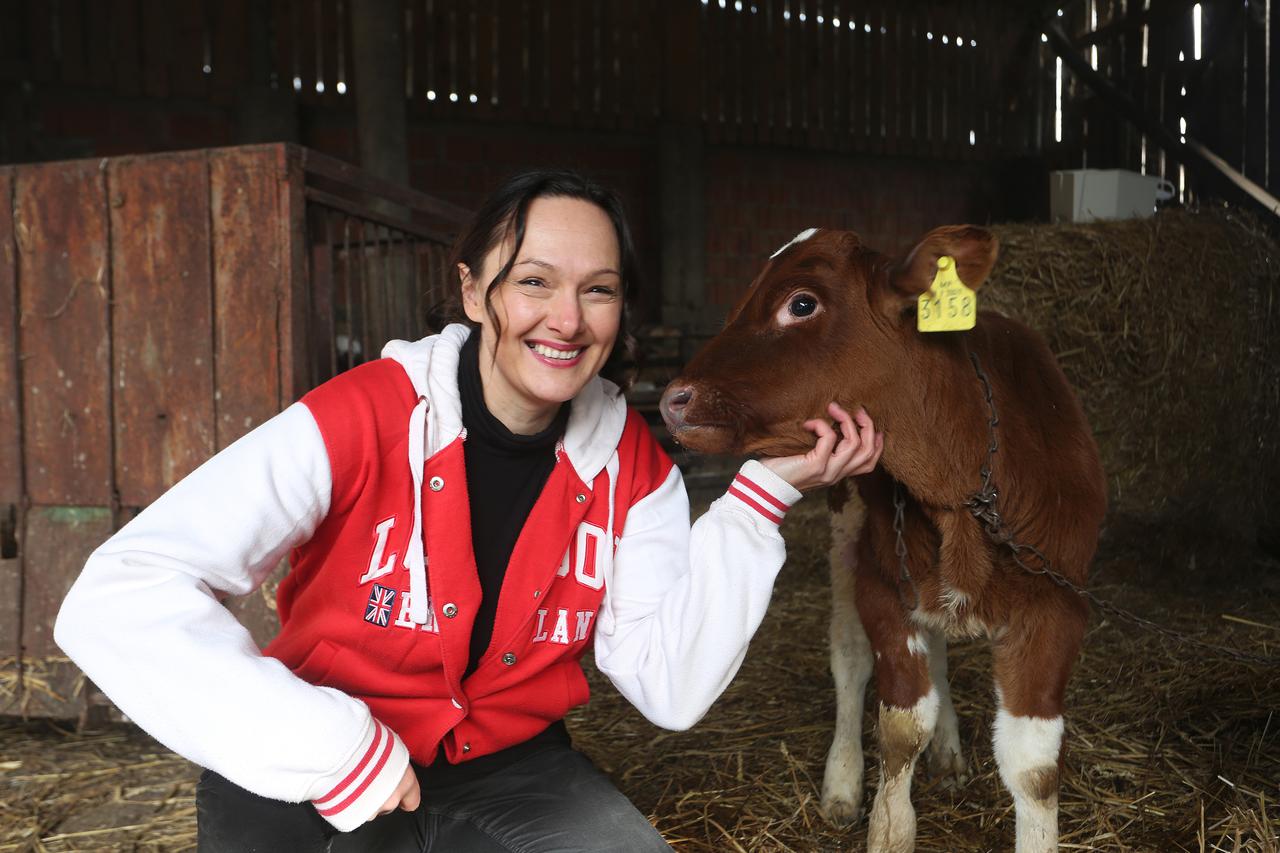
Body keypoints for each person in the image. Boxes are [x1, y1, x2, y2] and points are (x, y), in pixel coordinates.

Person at [54, 169, 883, 852]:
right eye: (534, 282)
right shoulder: (364, 414)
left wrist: (763, 493)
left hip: (510, 767)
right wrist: (328, 746)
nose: (567, 319)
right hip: (310, 760)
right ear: (474, 290)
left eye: (599, 290)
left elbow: (669, 686)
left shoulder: (632, 466)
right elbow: (120, 593)